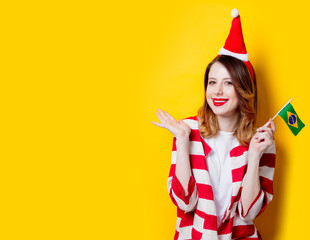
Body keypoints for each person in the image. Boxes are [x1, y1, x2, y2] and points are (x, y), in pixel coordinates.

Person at [152, 9, 276, 240]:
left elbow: (248, 214)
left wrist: (254, 156)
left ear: (244, 89)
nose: (217, 91)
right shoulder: (187, 131)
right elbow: (184, 202)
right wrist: (181, 141)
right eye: (212, 82)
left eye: (228, 83)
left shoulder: (262, 142)